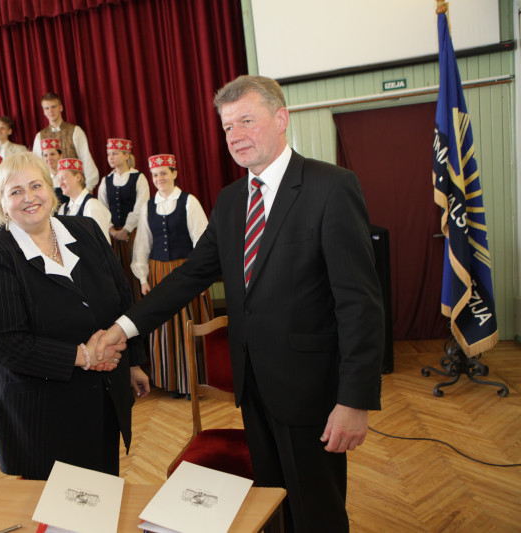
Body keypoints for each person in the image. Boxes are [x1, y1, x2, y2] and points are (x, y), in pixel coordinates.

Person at [95, 75, 384, 533]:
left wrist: (355, 399)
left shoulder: (331, 187)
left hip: (312, 394)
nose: (235, 136)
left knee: (318, 514)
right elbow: (189, 277)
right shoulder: (231, 201)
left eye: (246, 121)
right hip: (253, 389)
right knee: (269, 508)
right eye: (228, 127)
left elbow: (360, 304)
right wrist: (123, 328)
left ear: (281, 119)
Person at [0, 152, 150, 480]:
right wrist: (82, 356)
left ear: (51, 189)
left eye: (36, 185)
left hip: (101, 396)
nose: (29, 197)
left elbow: (123, 298)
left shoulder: (86, 230)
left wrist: (134, 362)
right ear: (0, 203)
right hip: (38, 413)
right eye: (15, 191)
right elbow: (3, 342)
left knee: (100, 493)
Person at [130, 154, 212, 397]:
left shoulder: (189, 202)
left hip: (186, 270)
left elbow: (202, 240)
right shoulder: (148, 207)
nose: (159, 178)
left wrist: (201, 275)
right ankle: (172, 382)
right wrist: (143, 278)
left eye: (164, 173)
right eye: (155, 175)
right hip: (158, 272)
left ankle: (195, 383)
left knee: (189, 325)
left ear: (175, 173)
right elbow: (142, 244)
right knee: (163, 328)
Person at [97, 138, 149, 298]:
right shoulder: (106, 180)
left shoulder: (138, 178)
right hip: (113, 235)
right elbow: (102, 207)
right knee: (117, 271)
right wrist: (111, 229)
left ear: (126, 155)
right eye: (108, 154)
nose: (111, 157)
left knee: (134, 268)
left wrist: (127, 228)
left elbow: (141, 205)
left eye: (115, 153)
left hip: (134, 233)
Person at [31, 92, 99, 191]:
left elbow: (85, 158)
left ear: (61, 108)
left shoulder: (75, 131)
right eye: (47, 108)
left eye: (53, 107)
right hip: (52, 188)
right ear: (43, 112)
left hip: (75, 186)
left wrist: (89, 187)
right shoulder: (40, 136)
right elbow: (38, 165)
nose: (50, 111)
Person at [56, 158, 112, 243]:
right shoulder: (63, 209)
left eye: (63, 178)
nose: (60, 184)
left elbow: (102, 244)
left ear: (78, 177)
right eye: (59, 179)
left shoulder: (92, 206)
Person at [40, 138, 68, 206]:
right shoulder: (42, 178)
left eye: (52, 154)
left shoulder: (68, 176)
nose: (49, 158)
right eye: (45, 155)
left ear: (60, 156)